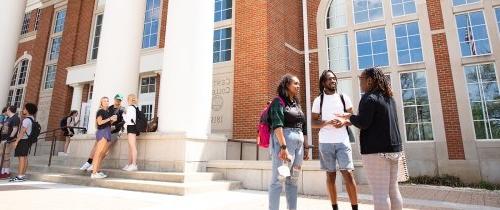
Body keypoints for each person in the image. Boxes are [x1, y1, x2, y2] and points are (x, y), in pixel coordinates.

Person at [337, 67, 403, 210]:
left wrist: (349, 117)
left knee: (380, 195)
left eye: (361, 79)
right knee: (393, 190)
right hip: (394, 149)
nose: (360, 83)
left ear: (370, 80)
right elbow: (375, 121)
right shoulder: (389, 98)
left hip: (376, 152)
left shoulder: (368, 98)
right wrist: (350, 120)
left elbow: (363, 123)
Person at [312, 70, 358, 210]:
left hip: (342, 141)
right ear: (323, 82)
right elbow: (313, 123)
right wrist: (327, 122)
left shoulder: (344, 98)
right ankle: (335, 207)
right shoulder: (318, 100)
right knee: (330, 176)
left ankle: (355, 207)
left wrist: (344, 122)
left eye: (334, 79)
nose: (333, 81)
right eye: (329, 79)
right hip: (325, 142)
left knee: (348, 174)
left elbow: (353, 119)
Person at [268, 74, 309, 210]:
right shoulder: (278, 102)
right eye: (295, 84)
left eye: (299, 84)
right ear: (287, 85)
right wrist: (283, 147)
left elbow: (303, 126)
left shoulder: (296, 104)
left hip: (298, 145)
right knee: (279, 180)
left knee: (293, 180)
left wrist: (306, 146)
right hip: (285, 143)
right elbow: (277, 125)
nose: (298, 86)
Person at [80, 94, 124, 171]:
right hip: (104, 130)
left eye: (120, 100)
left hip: (114, 132)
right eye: (117, 99)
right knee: (96, 147)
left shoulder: (122, 109)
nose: (118, 101)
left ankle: (94, 165)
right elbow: (102, 119)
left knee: (105, 150)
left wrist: (116, 126)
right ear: (114, 99)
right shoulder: (108, 108)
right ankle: (88, 163)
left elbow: (124, 121)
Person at [10, 103, 38, 182]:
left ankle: (19, 176)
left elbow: (22, 132)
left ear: (28, 110)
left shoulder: (26, 120)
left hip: (23, 141)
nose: (23, 110)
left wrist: (16, 142)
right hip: (28, 141)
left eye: (25, 109)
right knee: (25, 158)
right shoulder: (32, 119)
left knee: (21, 158)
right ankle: (22, 175)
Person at [91, 97, 117, 179]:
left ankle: (97, 171)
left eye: (107, 101)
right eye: (104, 101)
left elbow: (107, 123)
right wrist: (109, 118)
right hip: (102, 132)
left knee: (103, 153)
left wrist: (112, 120)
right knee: (98, 153)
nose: (106, 102)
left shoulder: (107, 111)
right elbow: (99, 122)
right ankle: (94, 173)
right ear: (101, 102)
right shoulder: (100, 111)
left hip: (107, 131)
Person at [0, 106, 20, 179]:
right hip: (3, 140)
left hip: (8, 140)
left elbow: (15, 129)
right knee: (2, 155)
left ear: (9, 110)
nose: (6, 110)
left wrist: (9, 139)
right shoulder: (8, 118)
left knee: (6, 156)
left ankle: (6, 172)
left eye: (7, 109)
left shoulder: (15, 118)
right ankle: (2, 171)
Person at [122, 94, 139, 171]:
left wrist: (123, 114)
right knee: (131, 147)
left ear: (129, 99)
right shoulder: (134, 107)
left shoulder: (130, 108)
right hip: (132, 127)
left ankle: (134, 164)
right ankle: (130, 164)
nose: (127, 100)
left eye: (128, 99)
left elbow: (128, 120)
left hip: (131, 127)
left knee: (132, 147)